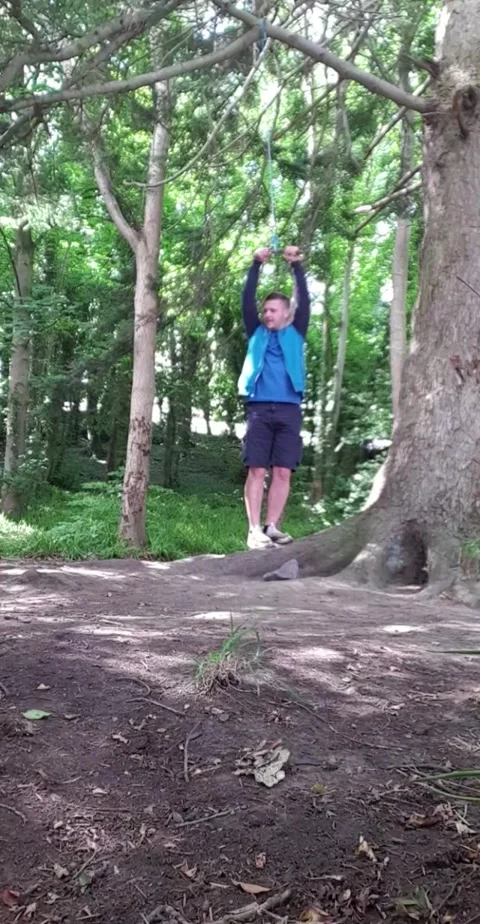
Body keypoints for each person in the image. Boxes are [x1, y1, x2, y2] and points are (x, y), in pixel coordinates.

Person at [238, 245, 311, 550]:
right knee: (257, 469)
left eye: (273, 310)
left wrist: (296, 266)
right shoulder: (256, 331)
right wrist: (256, 264)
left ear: (286, 313)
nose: (267, 314)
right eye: (265, 310)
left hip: (289, 409)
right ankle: (254, 530)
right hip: (258, 409)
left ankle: (271, 527)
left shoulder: (296, 332)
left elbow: (304, 300)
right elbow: (247, 299)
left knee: (282, 471)